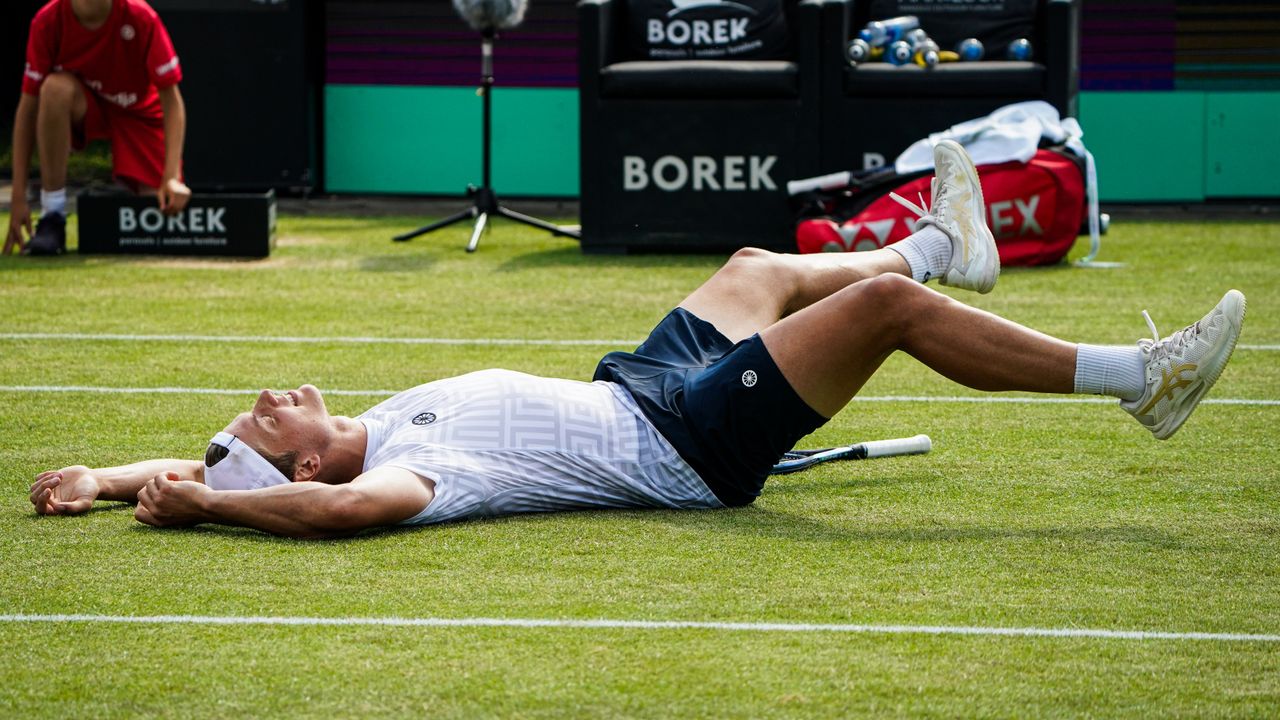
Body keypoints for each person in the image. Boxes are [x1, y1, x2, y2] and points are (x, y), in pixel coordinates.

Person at [27, 142, 1247, 539]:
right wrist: (213, 506)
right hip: (685, 447)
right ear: (293, 464)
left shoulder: (376, 422)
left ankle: (938, 249)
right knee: (878, 321)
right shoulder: (400, 476)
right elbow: (330, 517)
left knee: (757, 267)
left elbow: (207, 468)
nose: (266, 393)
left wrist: (111, 479)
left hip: (641, 386)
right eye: (261, 420)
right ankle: (1137, 381)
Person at [4, 0, 191, 257]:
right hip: (86, 106)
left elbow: (171, 100)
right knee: (54, 89)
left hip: (139, 114)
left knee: (158, 215)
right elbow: (27, 110)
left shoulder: (141, 16)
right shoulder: (48, 21)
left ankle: (140, 183)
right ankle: (52, 214)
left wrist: (170, 176)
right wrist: (18, 197)